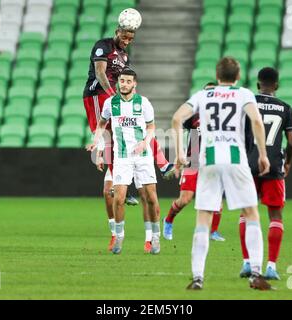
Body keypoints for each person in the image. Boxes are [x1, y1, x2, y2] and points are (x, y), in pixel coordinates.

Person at [172, 57, 273, 291]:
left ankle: (197, 277)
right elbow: (256, 121)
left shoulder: (203, 95)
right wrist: (262, 154)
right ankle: (256, 273)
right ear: (237, 76)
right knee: (251, 213)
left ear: (217, 77)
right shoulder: (244, 94)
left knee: (203, 218)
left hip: (208, 159)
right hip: (235, 158)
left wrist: (179, 154)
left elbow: (177, 118)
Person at [82, 26, 173, 250]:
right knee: (110, 190)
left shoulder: (125, 58)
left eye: (131, 38)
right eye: (124, 36)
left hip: (135, 153)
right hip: (97, 95)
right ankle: (117, 233)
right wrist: (115, 99)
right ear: (117, 32)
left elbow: (149, 127)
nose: (127, 40)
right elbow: (102, 74)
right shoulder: (103, 46)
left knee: (140, 130)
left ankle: (161, 163)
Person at [87, 69, 161, 255]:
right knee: (118, 199)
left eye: (128, 81)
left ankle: (155, 237)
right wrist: (97, 140)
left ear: (134, 84)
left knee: (151, 198)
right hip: (121, 157)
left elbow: (151, 127)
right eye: (122, 81)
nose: (124, 84)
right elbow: (102, 123)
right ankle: (119, 236)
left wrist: (145, 142)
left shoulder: (143, 103)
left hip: (143, 156)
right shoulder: (110, 103)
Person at [239, 67, 292, 280]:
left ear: (257, 84)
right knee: (275, 215)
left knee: (246, 213)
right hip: (273, 167)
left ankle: (247, 263)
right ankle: (271, 266)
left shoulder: (247, 104)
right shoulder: (285, 108)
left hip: (248, 165)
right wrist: (288, 164)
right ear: (277, 85)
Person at [163, 82, 225, 242]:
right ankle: (168, 220)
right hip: (194, 159)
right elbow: (180, 130)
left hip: (213, 160)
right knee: (185, 199)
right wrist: (181, 153)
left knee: (217, 200)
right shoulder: (193, 114)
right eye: (208, 92)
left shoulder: (223, 115)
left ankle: (214, 231)